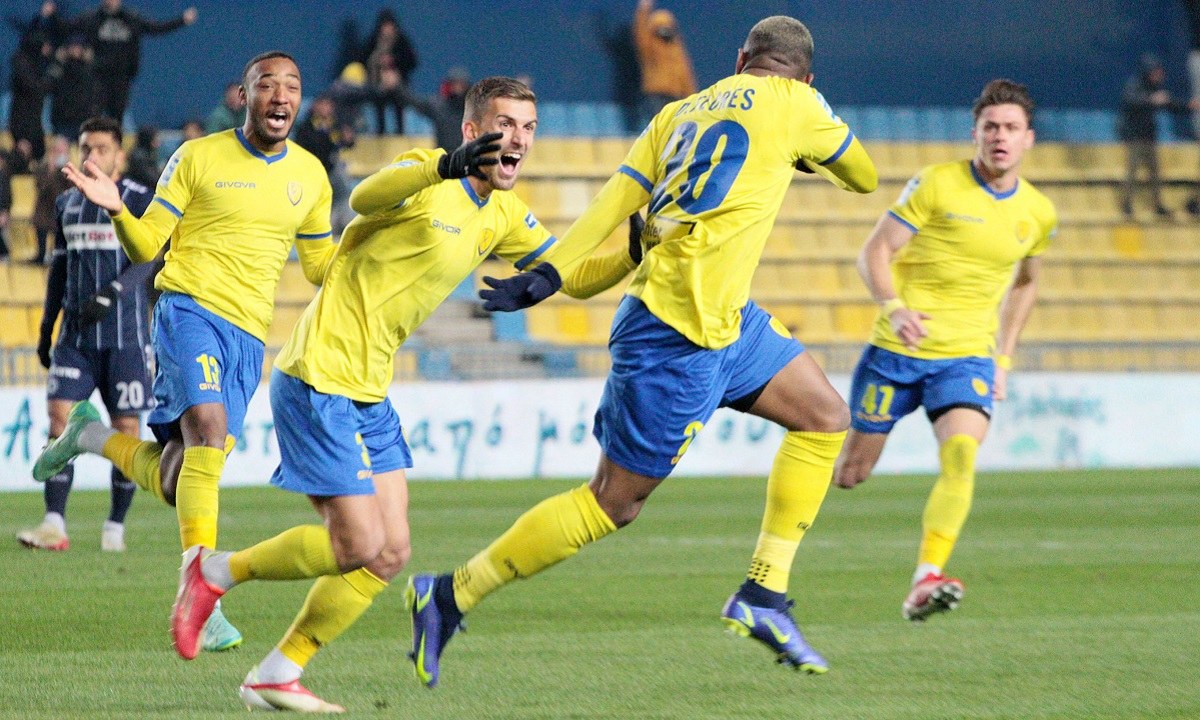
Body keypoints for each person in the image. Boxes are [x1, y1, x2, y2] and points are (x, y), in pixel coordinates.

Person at [407, 16, 877, 687]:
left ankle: (764, 594)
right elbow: (863, 175)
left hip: (726, 321)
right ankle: (451, 593)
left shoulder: (678, 114)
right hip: (674, 335)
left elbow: (611, 203)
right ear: (806, 77)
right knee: (612, 503)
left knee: (825, 418)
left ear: (740, 59)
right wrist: (813, 144)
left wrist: (549, 273)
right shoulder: (799, 104)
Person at [167, 76, 640, 711]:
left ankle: (277, 672)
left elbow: (571, 275)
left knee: (389, 553)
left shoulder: (502, 212)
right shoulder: (429, 172)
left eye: (529, 128)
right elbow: (364, 196)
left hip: (368, 388)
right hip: (318, 376)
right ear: (472, 131)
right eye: (505, 125)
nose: (519, 139)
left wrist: (632, 252)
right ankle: (214, 571)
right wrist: (444, 165)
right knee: (357, 545)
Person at [34, 50, 336, 654]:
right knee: (208, 427)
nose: (280, 95)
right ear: (243, 96)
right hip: (188, 311)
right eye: (267, 85)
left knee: (180, 478)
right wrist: (119, 210)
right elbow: (148, 244)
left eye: (292, 86)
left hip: (248, 338)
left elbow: (321, 266)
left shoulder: (312, 175)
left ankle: (90, 436)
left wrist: (376, 248)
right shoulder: (197, 156)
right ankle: (202, 595)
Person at [830, 80, 1057, 622]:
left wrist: (1003, 358)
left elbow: (1027, 283)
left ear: (1028, 138)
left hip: (966, 357)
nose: (1000, 137)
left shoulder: (1038, 212)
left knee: (961, 457)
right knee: (851, 473)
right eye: (990, 127)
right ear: (975, 133)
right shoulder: (936, 184)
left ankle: (926, 577)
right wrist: (894, 308)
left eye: (1011, 128)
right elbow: (874, 251)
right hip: (896, 352)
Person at [16, 116, 154, 553]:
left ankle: (114, 526)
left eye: (101, 149)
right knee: (59, 422)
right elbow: (58, 270)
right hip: (75, 341)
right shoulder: (67, 203)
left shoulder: (139, 198)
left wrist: (113, 293)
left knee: (126, 431)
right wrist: (46, 329)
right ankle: (54, 523)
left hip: (126, 340)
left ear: (119, 156)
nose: (92, 155)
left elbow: (150, 257)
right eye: (86, 148)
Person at [70, 0, 198, 122]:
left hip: (122, 76)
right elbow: (69, 28)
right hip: (98, 76)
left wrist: (181, 20)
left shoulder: (131, 19)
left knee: (117, 115)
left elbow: (156, 28)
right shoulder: (92, 18)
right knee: (93, 115)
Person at [1117, 54, 1191, 219]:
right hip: (1135, 136)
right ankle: (1127, 205)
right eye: (1156, 72)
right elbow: (1131, 101)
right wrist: (1151, 100)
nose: (1159, 75)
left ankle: (1158, 205)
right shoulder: (1135, 85)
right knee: (1133, 171)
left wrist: (1188, 106)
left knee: (1155, 172)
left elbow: (1169, 104)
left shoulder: (1154, 87)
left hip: (1148, 135)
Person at [294, 95, 356, 235]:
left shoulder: (335, 124)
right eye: (323, 105)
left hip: (332, 168)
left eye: (329, 106)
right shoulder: (306, 126)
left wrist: (348, 140)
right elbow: (306, 147)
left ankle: (341, 225)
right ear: (316, 106)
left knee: (343, 194)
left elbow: (346, 143)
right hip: (313, 171)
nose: (327, 109)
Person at [633, 0, 696, 126]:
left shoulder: (676, 46)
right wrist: (643, 9)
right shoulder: (649, 45)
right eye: (660, 25)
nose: (664, 28)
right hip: (656, 94)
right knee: (660, 126)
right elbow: (640, 32)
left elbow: (685, 72)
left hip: (676, 95)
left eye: (667, 25)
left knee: (675, 128)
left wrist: (693, 97)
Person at [363, 9, 418, 134]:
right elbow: (363, 59)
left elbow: (412, 61)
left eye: (390, 26)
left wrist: (394, 60)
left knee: (399, 106)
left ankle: (400, 132)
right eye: (385, 26)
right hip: (378, 84)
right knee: (379, 106)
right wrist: (378, 61)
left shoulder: (402, 41)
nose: (387, 29)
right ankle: (380, 133)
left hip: (398, 84)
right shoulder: (373, 41)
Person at [8, 29, 52, 166]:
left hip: (33, 123)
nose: (48, 48)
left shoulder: (37, 63)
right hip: (25, 124)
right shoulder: (24, 64)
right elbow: (35, 87)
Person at [403, 67, 471, 152]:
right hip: (444, 155)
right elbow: (414, 101)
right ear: (448, 85)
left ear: (466, 86)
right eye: (454, 84)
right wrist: (397, 87)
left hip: (466, 154)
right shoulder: (438, 106)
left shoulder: (472, 107)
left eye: (461, 84)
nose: (457, 87)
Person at [30, 135, 73, 264]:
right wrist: (52, 170)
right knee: (40, 220)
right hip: (44, 210)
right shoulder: (42, 168)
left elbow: (70, 190)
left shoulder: (70, 170)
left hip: (60, 208)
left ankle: (57, 256)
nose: (61, 155)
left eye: (64, 152)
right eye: (58, 151)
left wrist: (65, 170)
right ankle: (41, 255)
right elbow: (42, 188)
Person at [47, 34, 96, 138]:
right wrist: (58, 62)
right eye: (73, 46)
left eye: (79, 47)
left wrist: (88, 63)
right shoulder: (60, 67)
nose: (76, 50)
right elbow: (49, 85)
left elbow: (94, 92)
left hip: (84, 119)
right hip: (63, 120)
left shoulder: (90, 69)